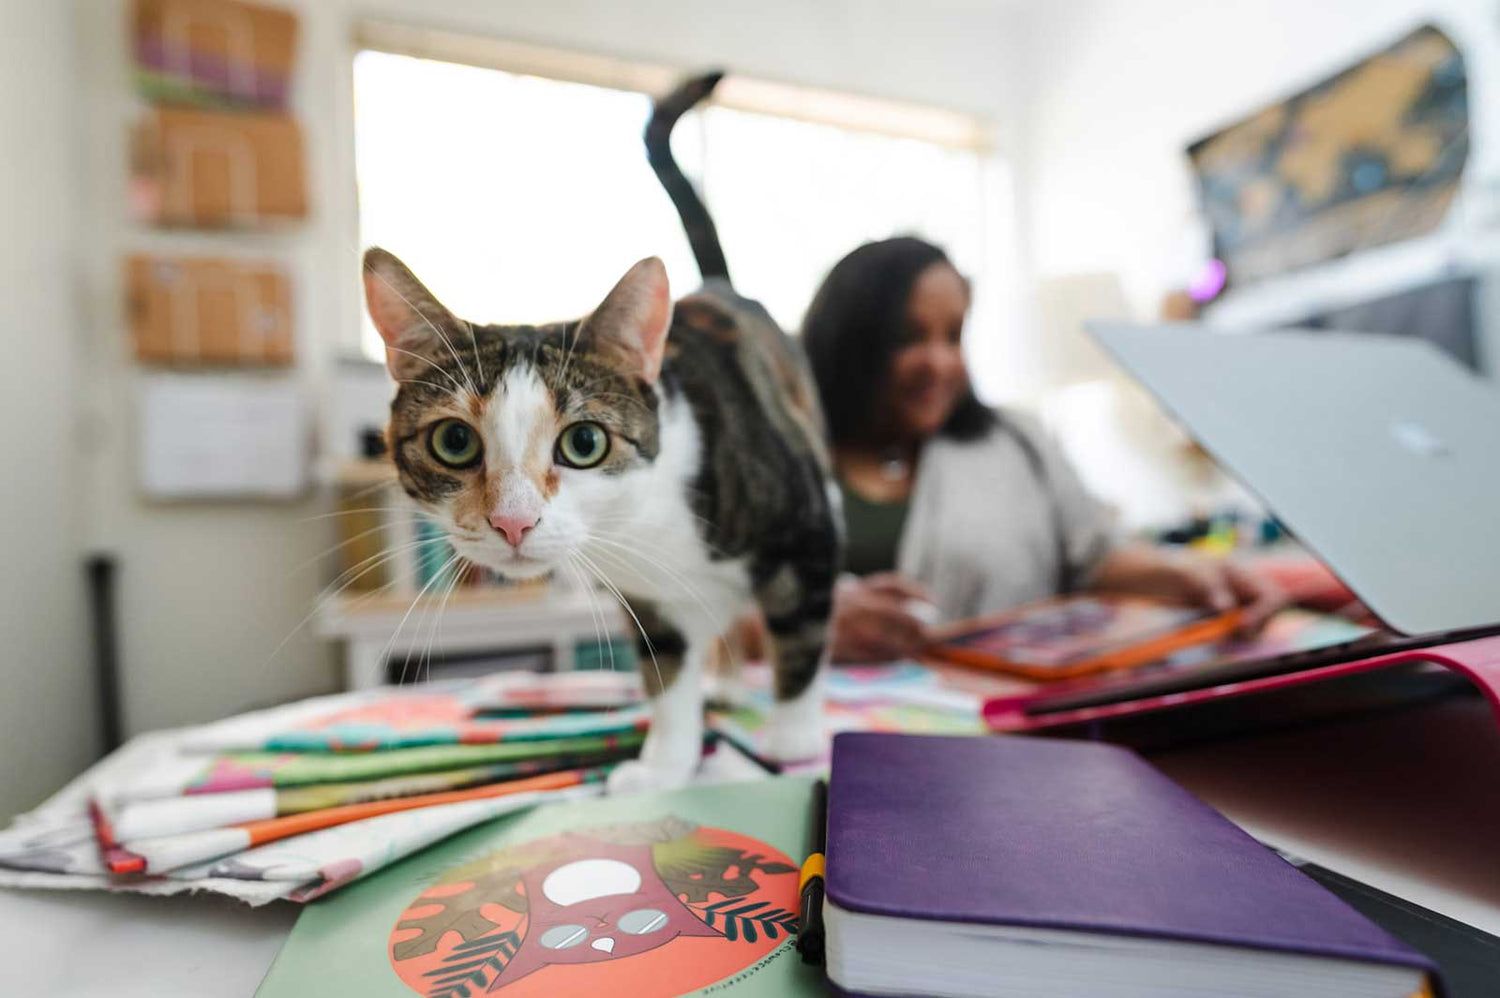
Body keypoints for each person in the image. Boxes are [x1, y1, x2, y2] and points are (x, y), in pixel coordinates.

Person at [800, 237, 1285, 663]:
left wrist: (1195, 577)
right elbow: (732, 612)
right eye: (909, 338)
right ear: (851, 341)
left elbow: (1096, 559)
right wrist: (809, 621)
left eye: (953, 335)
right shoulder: (784, 460)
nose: (941, 362)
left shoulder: (1017, 442)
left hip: (1006, 721)